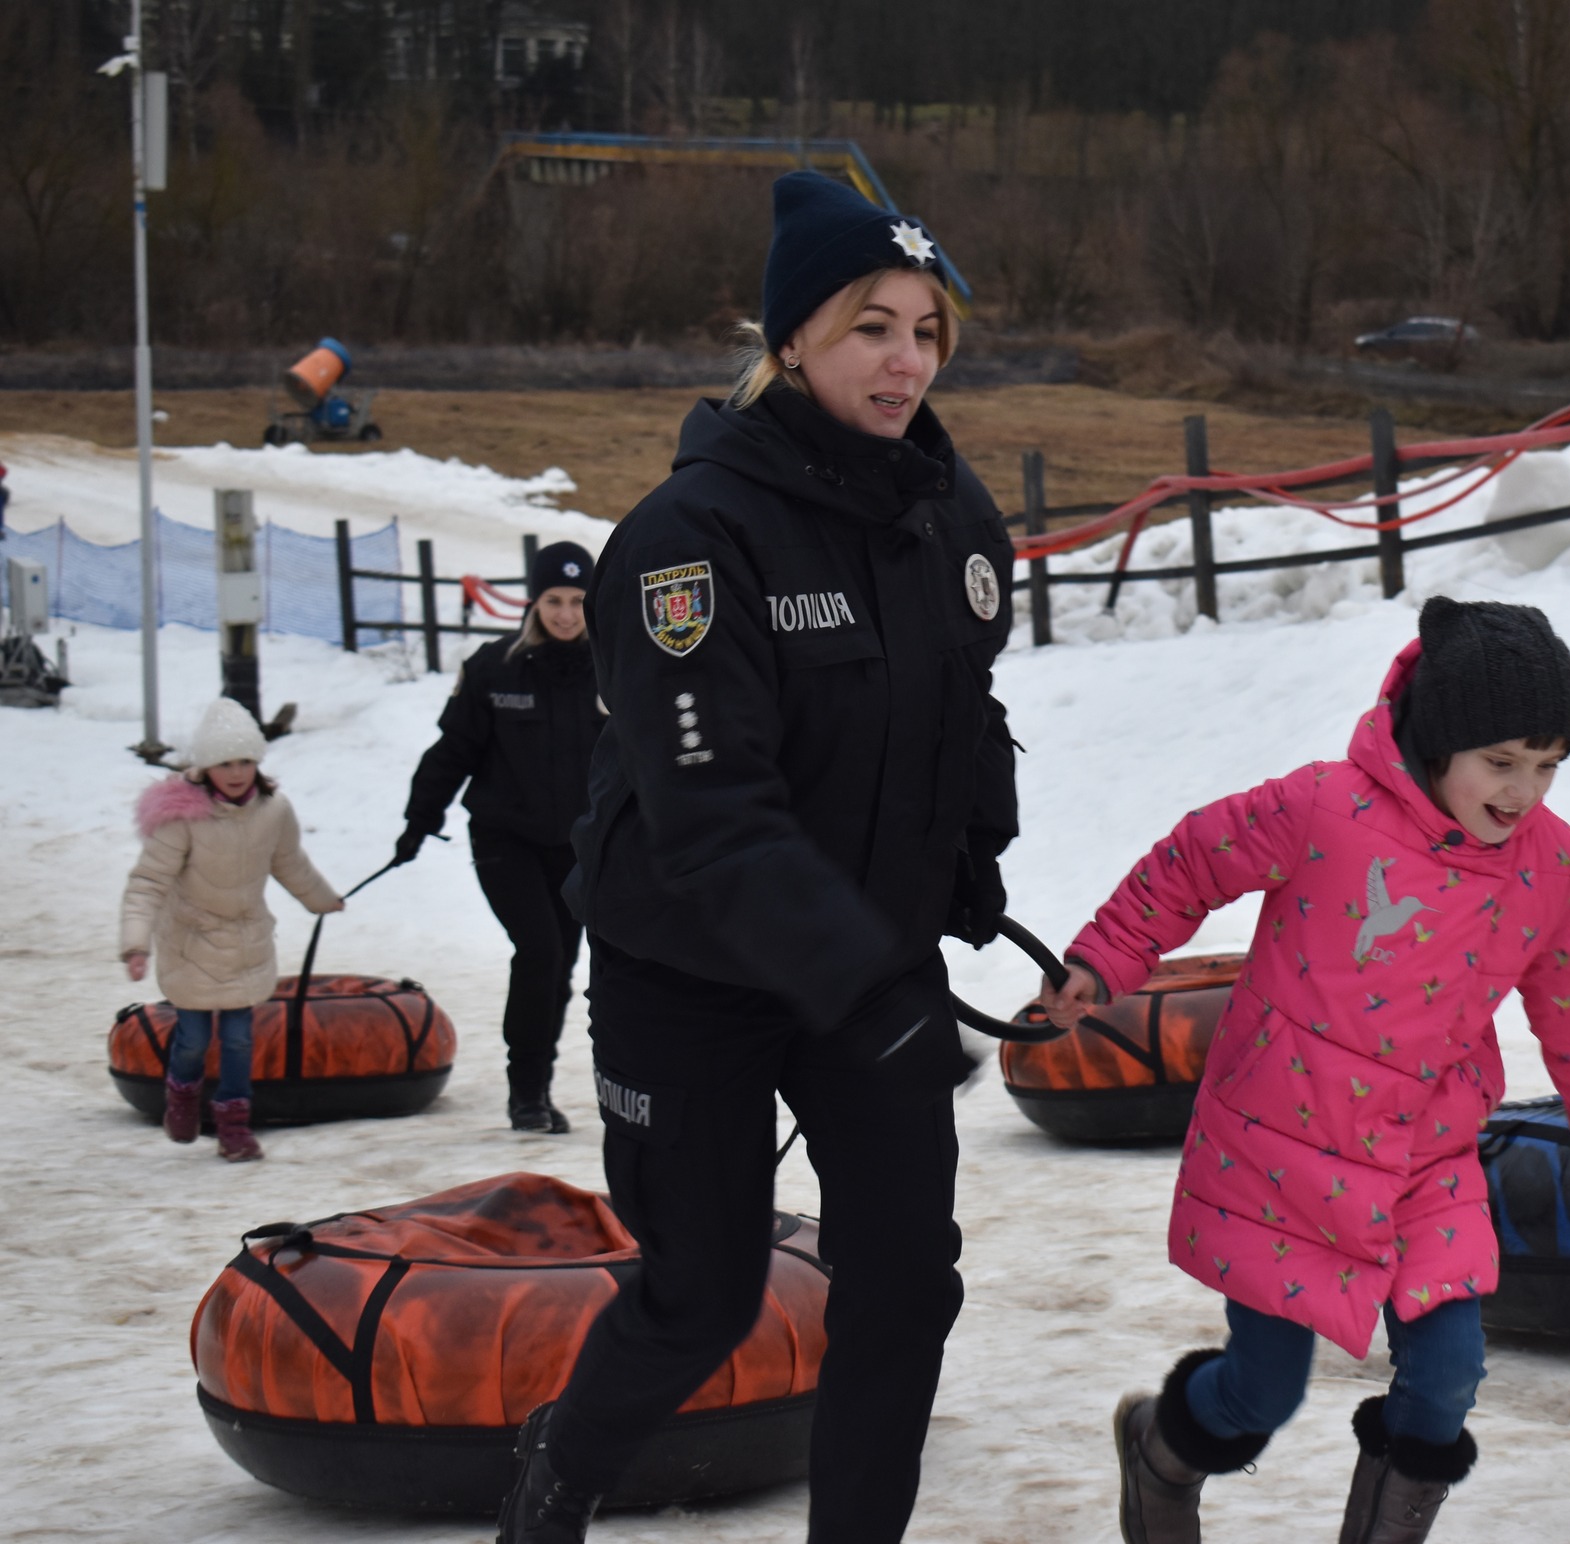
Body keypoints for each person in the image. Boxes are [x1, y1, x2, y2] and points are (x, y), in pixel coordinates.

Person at [494, 171, 1016, 1544]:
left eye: (925, 330)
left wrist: (978, 862)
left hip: (871, 960)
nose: (906, 360)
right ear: (791, 341)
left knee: (905, 1283)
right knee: (705, 1294)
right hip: (691, 969)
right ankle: (562, 1473)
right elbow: (708, 803)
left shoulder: (952, 511)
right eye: (870, 328)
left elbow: (968, 699)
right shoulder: (689, 541)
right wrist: (856, 979)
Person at [1040, 597, 1570, 1544]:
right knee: (1264, 1389)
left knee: (1449, 1373)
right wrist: (1103, 962)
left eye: (1546, 766)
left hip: (1428, 1153)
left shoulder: (1550, 866)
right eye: (1500, 763)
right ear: (1438, 742)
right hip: (1281, 1147)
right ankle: (1161, 1454)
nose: (1523, 791)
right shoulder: (1326, 808)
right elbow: (1191, 863)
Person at [394, 542, 605, 1132]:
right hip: (505, 839)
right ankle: (527, 1096)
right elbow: (451, 753)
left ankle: (537, 1086)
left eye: (577, 601)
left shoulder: (616, 668)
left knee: (560, 962)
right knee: (538, 951)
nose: (566, 614)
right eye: (553, 601)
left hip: (578, 847)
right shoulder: (494, 668)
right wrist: (418, 821)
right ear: (533, 603)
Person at [119, 697, 343, 1161]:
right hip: (192, 942)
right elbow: (148, 882)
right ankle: (181, 1094)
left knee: (240, 1038)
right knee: (194, 1038)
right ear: (205, 768)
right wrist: (135, 943)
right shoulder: (183, 817)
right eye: (225, 763)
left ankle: (234, 1126)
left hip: (246, 941)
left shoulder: (273, 809)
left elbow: (290, 863)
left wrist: (322, 898)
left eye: (245, 761)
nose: (237, 772)